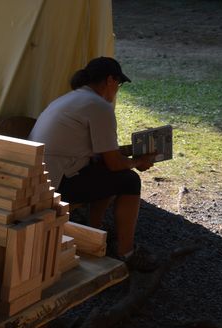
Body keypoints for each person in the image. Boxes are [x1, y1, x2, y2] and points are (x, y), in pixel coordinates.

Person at [29, 56, 157, 271]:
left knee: (105, 171)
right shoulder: (99, 106)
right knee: (129, 180)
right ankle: (126, 251)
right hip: (53, 185)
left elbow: (103, 154)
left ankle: (94, 230)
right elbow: (114, 163)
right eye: (119, 84)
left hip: (38, 177)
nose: (117, 90)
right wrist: (138, 162)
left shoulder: (71, 98)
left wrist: (129, 156)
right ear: (110, 80)